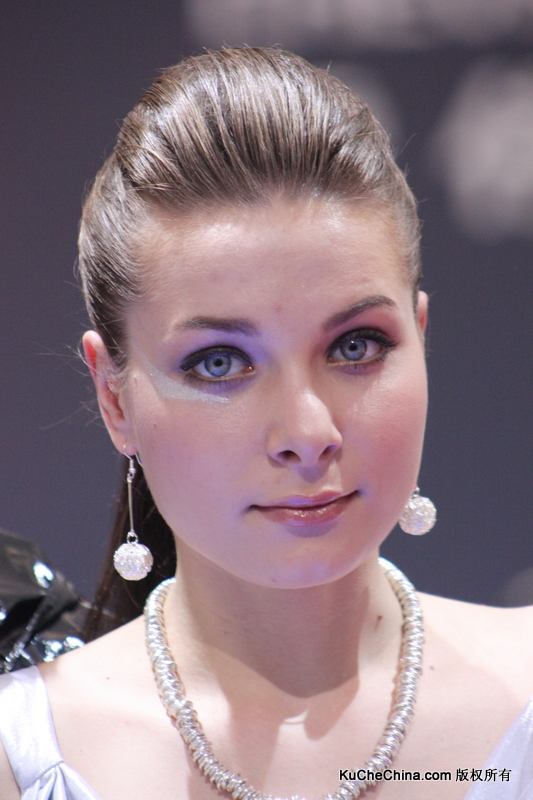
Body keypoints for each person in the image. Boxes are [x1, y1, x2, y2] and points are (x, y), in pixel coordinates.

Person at [0, 46, 532, 800]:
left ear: (420, 338)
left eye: (355, 346)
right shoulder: (22, 754)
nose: (308, 431)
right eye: (220, 363)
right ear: (114, 398)